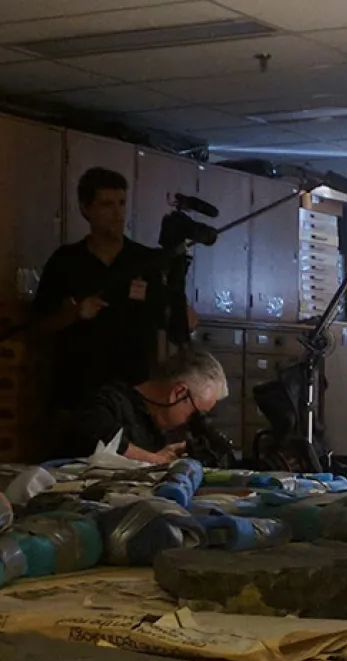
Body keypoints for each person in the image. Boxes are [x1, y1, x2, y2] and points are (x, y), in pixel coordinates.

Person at [34, 167, 195, 421]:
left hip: (133, 396)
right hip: (79, 394)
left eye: (121, 203)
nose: (118, 214)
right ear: (86, 209)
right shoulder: (66, 261)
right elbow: (38, 325)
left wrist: (180, 307)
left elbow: (176, 321)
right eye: (107, 205)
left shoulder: (146, 261)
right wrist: (74, 313)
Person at [60, 349, 229, 463]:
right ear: (179, 393)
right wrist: (153, 460)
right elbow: (93, 434)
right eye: (196, 414)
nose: (190, 423)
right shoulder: (111, 401)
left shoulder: (164, 431)